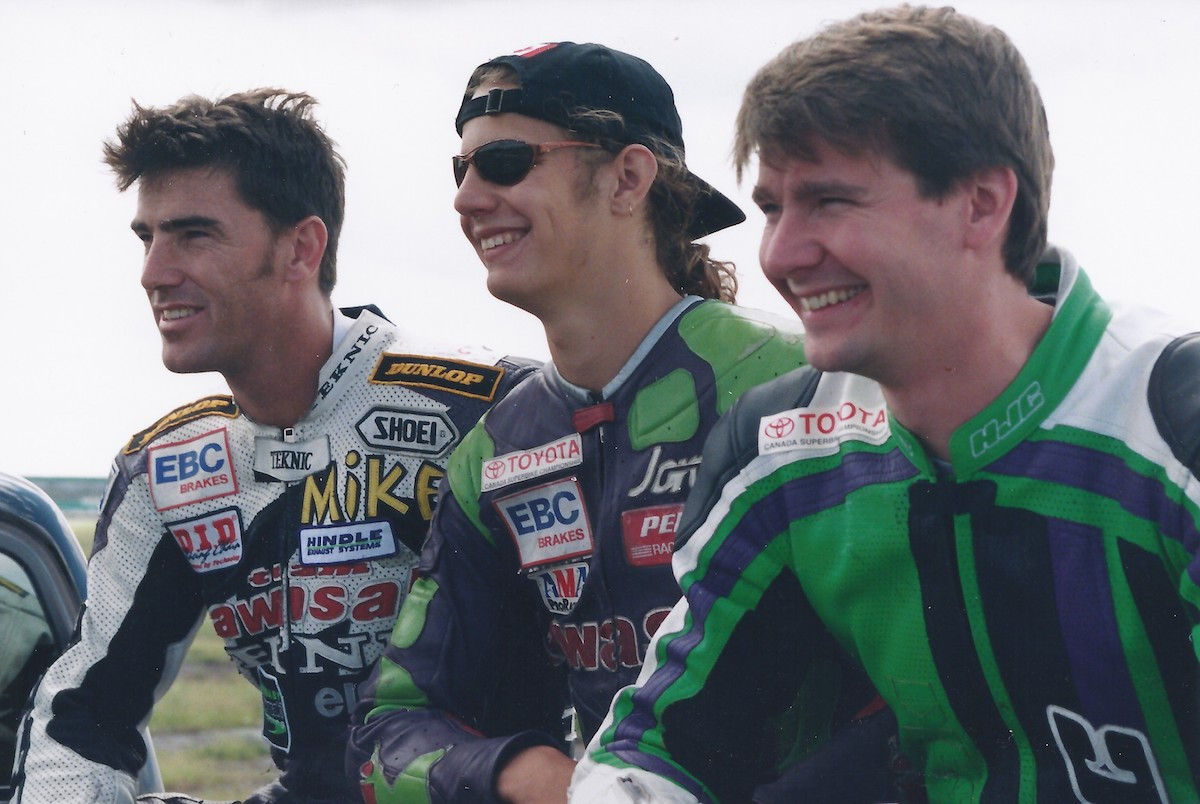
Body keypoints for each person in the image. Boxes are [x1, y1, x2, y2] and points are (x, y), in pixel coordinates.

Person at [571, 5, 1200, 803]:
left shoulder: (1174, 422)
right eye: (771, 208)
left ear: (982, 203)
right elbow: (659, 747)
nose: (781, 255)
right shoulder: (780, 450)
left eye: (830, 202)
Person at [343, 42, 871, 804]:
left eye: (506, 162)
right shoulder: (496, 453)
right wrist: (536, 778)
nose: (465, 200)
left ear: (628, 178)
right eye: (458, 171)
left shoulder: (809, 385)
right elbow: (391, 727)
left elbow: (947, 701)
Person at [12, 88, 537, 804]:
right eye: (147, 237)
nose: (154, 272)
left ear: (301, 247)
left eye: (193, 235)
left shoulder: (493, 407)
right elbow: (82, 717)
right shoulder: (169, 467)